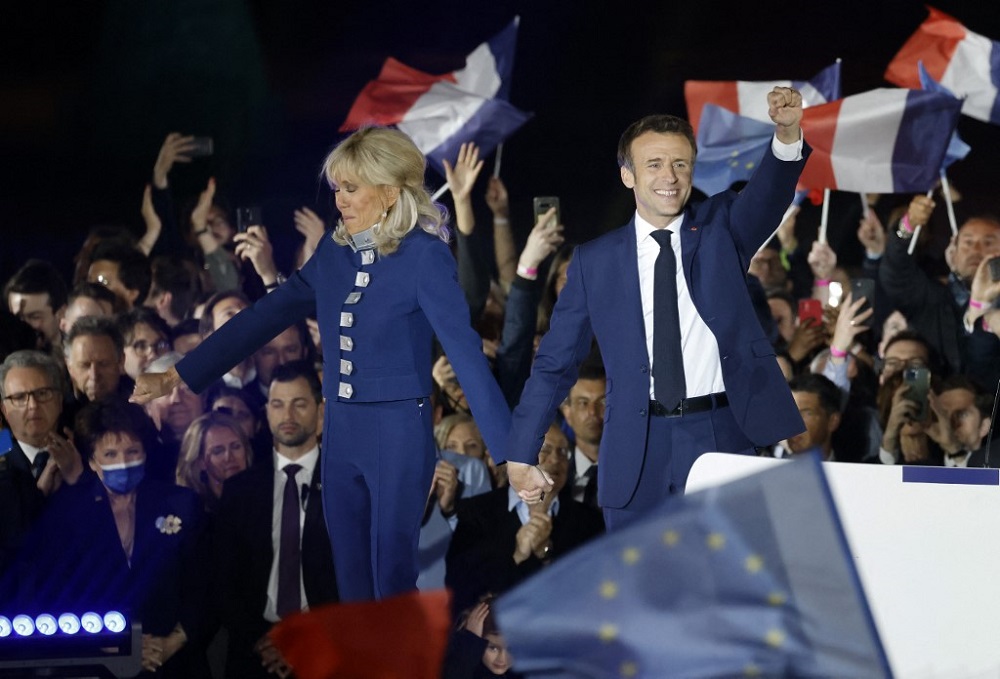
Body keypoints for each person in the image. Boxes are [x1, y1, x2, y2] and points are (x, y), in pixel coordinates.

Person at [132, 126, 511, 601]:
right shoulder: (335, 252)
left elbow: (465, 354)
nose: (340, 201)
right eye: (337, 190)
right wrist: (177, 373)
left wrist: (510, 453)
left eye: (351, 189)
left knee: (391, 581)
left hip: (397, 431)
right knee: (350, 582)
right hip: (341, 432)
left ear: (390, 192)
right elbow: (265, 316)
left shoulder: (425, 256)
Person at [505, 88, 810, 528]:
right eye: (654, 164)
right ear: (627, 175)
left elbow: (766, 198)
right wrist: (521, 450)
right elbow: (555, 362)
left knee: (723, 587)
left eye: (680, 163)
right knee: (640, 592)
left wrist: (786, 134)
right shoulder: (595, 260)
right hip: (635, 447)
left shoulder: (722, 229)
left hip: (719, 434)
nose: (669, 175)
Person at [213, 362, 337, 678]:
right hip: (255, 654)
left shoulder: (347, 488)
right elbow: (225, 580)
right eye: (278, 405)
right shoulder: (240, 490)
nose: (288, 416)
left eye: (299, 404)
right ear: (267, 413)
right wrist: (265, 640)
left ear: (321, 414)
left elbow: (356, 579)